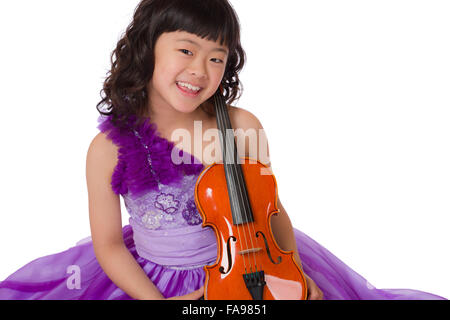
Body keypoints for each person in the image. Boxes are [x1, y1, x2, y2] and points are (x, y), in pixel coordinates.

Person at [0, 0, 445, 300]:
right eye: (186, 49)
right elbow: (111, 246)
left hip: (258, 266)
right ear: (146, 50)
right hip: (159, 282)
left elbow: (273, 213)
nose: (201, 69)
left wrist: (292, 272)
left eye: (217, 57)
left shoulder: (242, 126)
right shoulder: (108, 149)